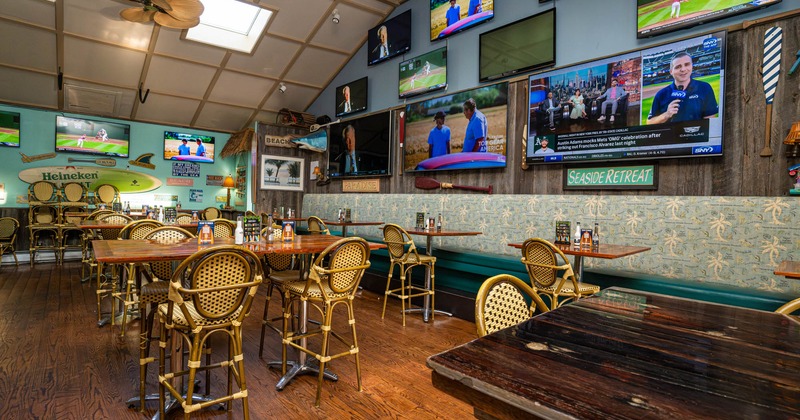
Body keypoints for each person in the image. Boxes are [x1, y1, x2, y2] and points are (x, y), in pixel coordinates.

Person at [646, 51, 718, 125]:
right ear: (671, 71)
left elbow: (710, 121)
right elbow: (649, 122)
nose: (683, 69)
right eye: (678, 67)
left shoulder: (705, 88)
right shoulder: (661, 94)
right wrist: (666, 115)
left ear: (692, 66)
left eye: (687, 64)